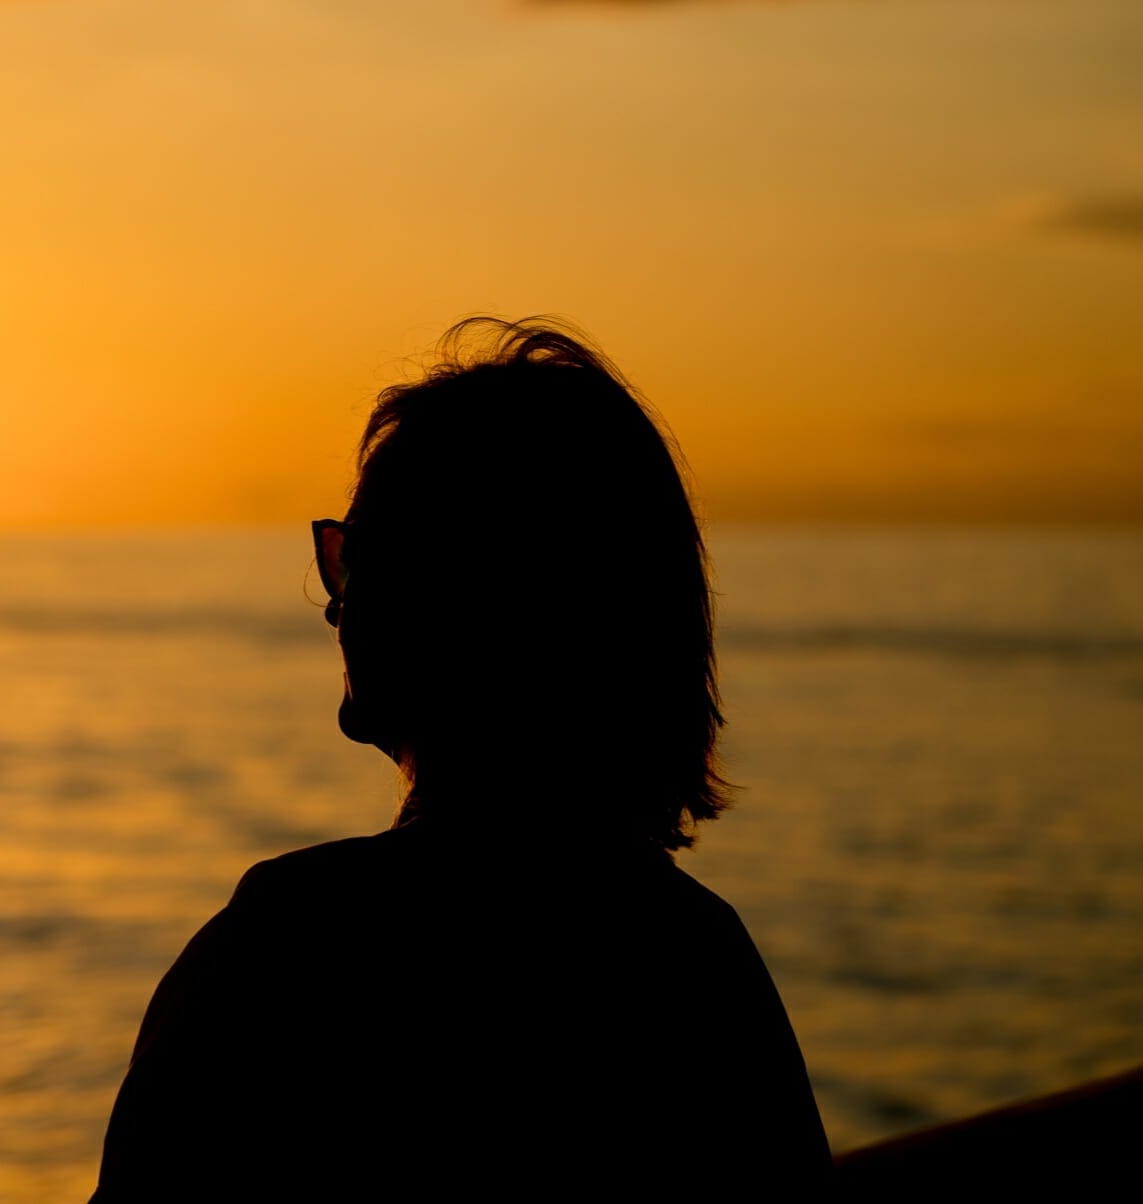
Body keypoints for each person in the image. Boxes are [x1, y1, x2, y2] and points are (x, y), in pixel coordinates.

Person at [92, 317, 832, 1199]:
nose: (335, 606)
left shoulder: (289, 955)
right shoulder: (700, 966)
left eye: (355, 558)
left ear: (446, 600)